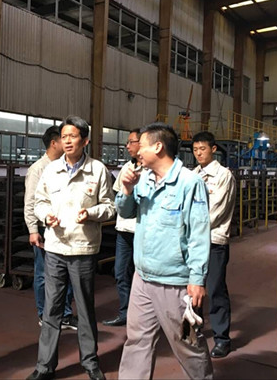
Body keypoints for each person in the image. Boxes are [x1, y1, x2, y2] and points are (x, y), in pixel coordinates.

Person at [117, 123, 213, 380]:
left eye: (142, 145)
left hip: (175, 283)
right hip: (142, 279)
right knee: (136, 341)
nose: (137, 151)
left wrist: (197, 278)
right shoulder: (143, 179)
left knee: (187, 343)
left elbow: (199, 233)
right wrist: (126, 189)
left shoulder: (190, 183)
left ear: (158, 146)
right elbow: (125, 212)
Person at [27, 116, 115, 380]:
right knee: (52, 309)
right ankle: (44, 366)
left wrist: (91, 213)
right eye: (64, 136)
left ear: (84, 140)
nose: (67, 141)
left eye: (72, 136)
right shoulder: (51, 169)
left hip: (83, 249)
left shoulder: (97, 170)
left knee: (85, 308)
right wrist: (46, 217)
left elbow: (110, 207)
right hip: (55, 248)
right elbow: (39, 202)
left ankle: (90, 362)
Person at [24, 126, 77, 330]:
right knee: (43, 274)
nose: (68, 142)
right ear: (54, 143)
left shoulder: (67, 166)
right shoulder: (38, 169)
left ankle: (64, 314)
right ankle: (43, 314)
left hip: (65, 229)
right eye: (64, 138)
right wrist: (33, 230)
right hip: (43, 229)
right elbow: (31, 202)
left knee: (65, 274)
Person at [192, 131, 236, 358]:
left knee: (216, 289)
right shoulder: (192, 175)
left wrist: (188, 227)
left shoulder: (223, 176)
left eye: (203, 149)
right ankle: (194, 330)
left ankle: (222, 339)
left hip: (214, 241)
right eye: (195, 149)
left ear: (213, 149)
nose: (199, 153)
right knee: (193, 288)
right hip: (193, 242)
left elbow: (216, 212)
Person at [102, 128, 142, 327]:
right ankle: (125, 313)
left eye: (131, 142)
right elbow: (118, 197)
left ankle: (144, 317)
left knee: (143, 276)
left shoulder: (152, 171)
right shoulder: (127, 167)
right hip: (124, 232)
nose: (127, 146)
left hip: (142, 233)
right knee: (121, 273)